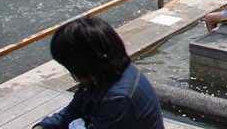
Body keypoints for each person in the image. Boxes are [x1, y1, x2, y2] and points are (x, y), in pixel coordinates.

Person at [34, 17, 164, 129]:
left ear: (84, 64)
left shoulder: (118, 98)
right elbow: (74, 110)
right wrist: (44, 126)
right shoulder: (104, 75)